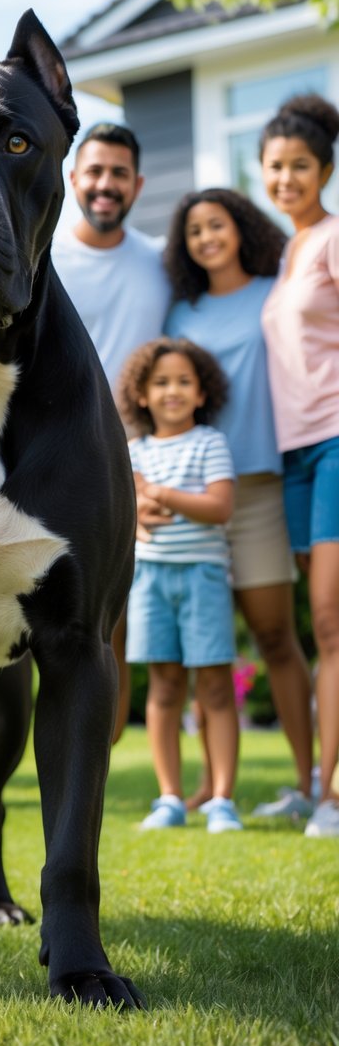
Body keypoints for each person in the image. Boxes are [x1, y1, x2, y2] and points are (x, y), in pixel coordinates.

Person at [163, 189, 314, 818]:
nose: (207, 239)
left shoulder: (272, 291)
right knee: (205, 650)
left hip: (258, 483)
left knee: (276, 635)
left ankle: (311, 784)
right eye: (195, 230)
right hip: (192, 493)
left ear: (240, 228)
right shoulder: (180, 315)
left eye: (216, 226)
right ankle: (208, 786)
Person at [53, 122, 172, 739]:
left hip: (135, 464)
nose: (105, 185)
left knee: (107, 619)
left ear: (138, 184)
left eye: (118, 173)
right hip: (44, 457)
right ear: (73, 178)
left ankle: (100, 744)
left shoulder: (159, 263)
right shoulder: (39, 254)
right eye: (94, 171)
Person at [117, 337, 242, 834]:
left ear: (202, 391)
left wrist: (160, 493)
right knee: (164, 688)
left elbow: (220, 507)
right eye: (161, 382)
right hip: (149, 580)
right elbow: (131, 513)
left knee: (214, 687)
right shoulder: (132, 451)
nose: (173, 391)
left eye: (184, 382)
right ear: (142, 394)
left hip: (204, 578)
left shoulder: (211, 444)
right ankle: (169, 797)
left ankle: (222, 801)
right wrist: (143, 502)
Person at [259, 94, 339, 839]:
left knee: (329, 621)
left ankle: (332, 798)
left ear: (325, 171)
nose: (287, 178)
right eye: (276, 166)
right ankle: (310, 780)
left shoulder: (333, 239)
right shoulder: (287, 252)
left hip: (338, 442)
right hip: (294, 453)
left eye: (301, 167)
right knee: (308, 631)